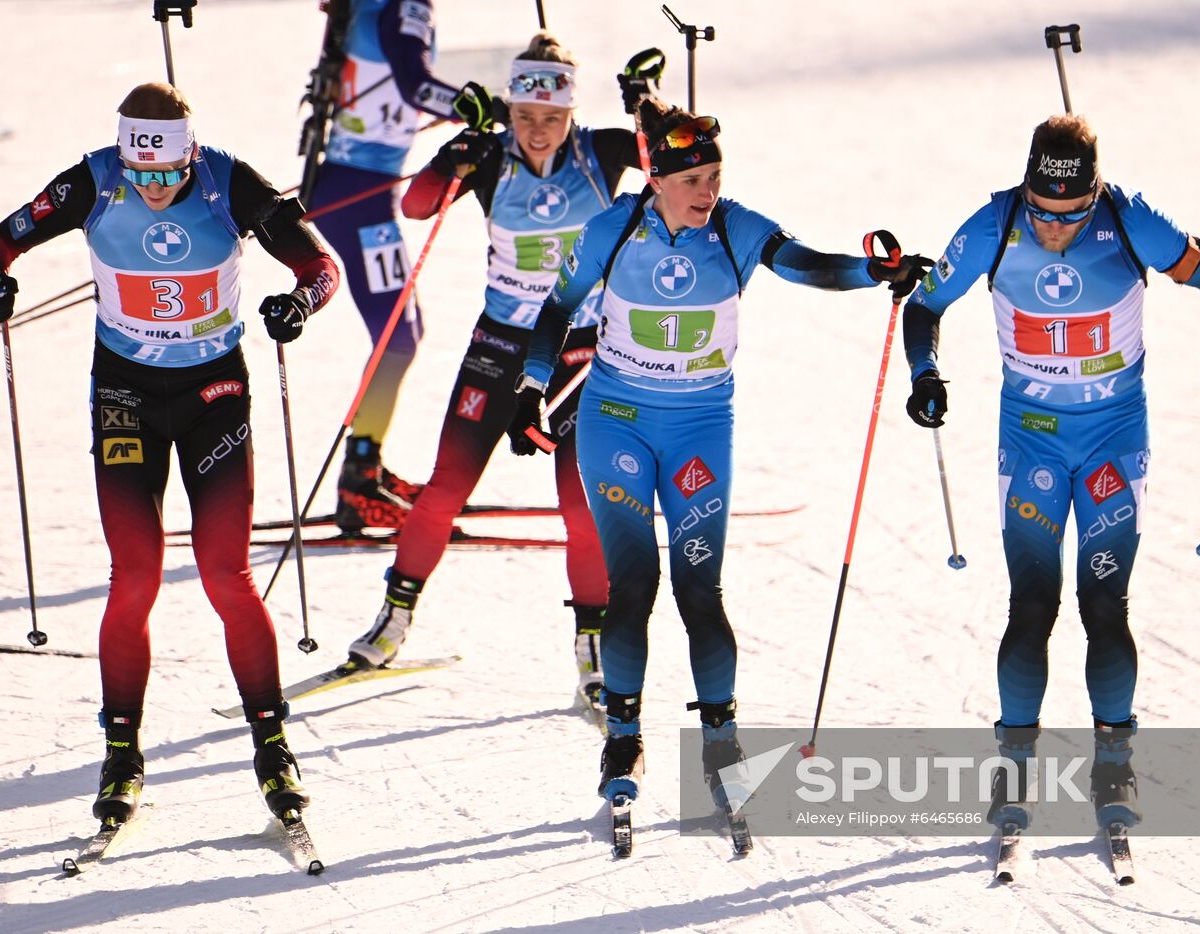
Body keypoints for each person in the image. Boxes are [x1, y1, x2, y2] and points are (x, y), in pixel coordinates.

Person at [505, 97, 931, 807]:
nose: (709, 192)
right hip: (616, 420)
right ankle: (624, 735)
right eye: (694, 179)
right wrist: (529, 388)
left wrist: (873, 271)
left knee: (700, 591)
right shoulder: (613, 229)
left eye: (715, 175)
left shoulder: (735, 228)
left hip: (700, 427)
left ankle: (721, 740)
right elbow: (555, 309)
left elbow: (809, 265)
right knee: (632, 589)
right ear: (659, 179)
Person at [0, 82, 340, 825]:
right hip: (125, 394)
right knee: (134, 575)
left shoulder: (229, 181)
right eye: (141, 175)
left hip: (213, 395)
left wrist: (296, 305)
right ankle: (121, 754)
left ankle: (273, 747)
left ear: (189, 156)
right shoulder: (94, 178)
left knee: (226, 578)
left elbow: (319, 267)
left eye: (167, 174)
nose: (155, 188)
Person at [898, 113, 1200, 832]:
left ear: (1092, 196)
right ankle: (1015, 765)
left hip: (1114, 439)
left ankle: (1114, 763)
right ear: (1027, 186)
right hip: (1031, 441)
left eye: (1070, 215)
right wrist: (926, 373)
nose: (1054, 230)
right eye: (1042, 212)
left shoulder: (1129, 220)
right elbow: (925, 305)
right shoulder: (995, 222)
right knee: (1031, 603)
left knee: (1104, 604)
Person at [344, 33, 647, 714]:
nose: (537, 133)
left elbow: (672, 164)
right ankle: (393, 618)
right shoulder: (493, 156)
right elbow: (417, 205)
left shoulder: (601, 153)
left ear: (571, 112)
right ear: (509, 108)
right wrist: (460, 146)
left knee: (581, 505)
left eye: (551, 118)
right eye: (524, 116)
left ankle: (591, 645)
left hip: (583, 353)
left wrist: (647, 101)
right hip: (502, 346)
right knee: (447, 484)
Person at [307, 0, 499, 533]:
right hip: (358, 194)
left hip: (362, 189)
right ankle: (359, 482)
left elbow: (399, 91)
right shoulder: (403, 6)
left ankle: (366, 467)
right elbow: (416, 86)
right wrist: (474, 106)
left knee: (404, 332)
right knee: (398, 337)